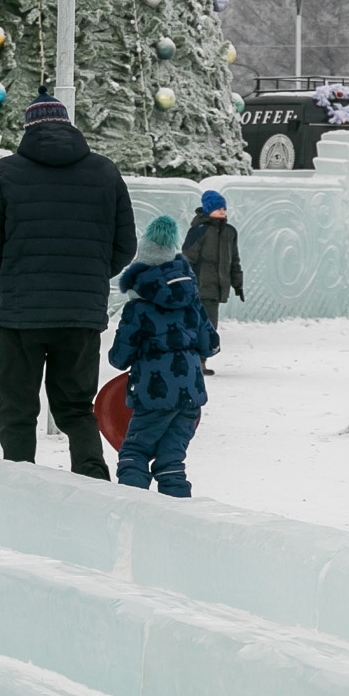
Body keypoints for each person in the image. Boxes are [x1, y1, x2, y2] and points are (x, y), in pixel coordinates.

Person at [0, 87, 136, 479]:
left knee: (17, 408)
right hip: (80, 316)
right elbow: (124, 245)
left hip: (21, 316)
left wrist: (17, 276)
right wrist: (88, 278)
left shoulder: (5, 172)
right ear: (68, 125)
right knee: (76, 407)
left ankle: (19, 483)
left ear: (28, 128)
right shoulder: (105, 172)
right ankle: (93, 480)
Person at [110, 215, 217, 495]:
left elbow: (120, 357)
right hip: (191, 395)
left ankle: (130, 510)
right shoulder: (191, 300)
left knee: (134, 451)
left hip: (154, 393)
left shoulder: (137, 309)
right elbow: (210, 345)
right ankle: (177, 515)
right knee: (171, 461)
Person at [180, 189, 244, 373]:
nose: (223, 211)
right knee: (195, 324)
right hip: (198, 287)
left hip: (215, 289)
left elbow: (234, 259)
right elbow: (187, 259)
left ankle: (201, 361)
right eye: (218, 208)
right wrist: (185, 283)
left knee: (210, 326)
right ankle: (194, 361)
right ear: (208, 209)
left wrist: (237, 282)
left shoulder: (229, 232)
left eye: (224, 208)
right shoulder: (198, 231)